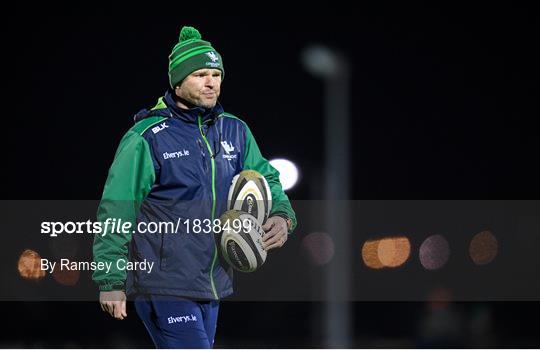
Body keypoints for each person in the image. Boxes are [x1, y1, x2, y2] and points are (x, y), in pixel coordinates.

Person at [92, 26, 297, 348]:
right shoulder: (147, 136)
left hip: (213, 282)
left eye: (216, 74)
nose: (210, 82)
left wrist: (283, 215)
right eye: (200, 74)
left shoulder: (235, 129)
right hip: (163, 283)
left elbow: (267, 178)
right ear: (178, 81)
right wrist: (110, 280)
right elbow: (116, 208)